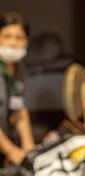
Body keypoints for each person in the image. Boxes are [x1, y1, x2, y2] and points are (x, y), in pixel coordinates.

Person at [0, 12, 35, 166]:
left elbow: (20, 110)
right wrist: (11, 151)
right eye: (7, 36)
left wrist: (30, 149)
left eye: (19, 37)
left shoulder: (20, 69)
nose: (13, 43)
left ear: (27, 40)